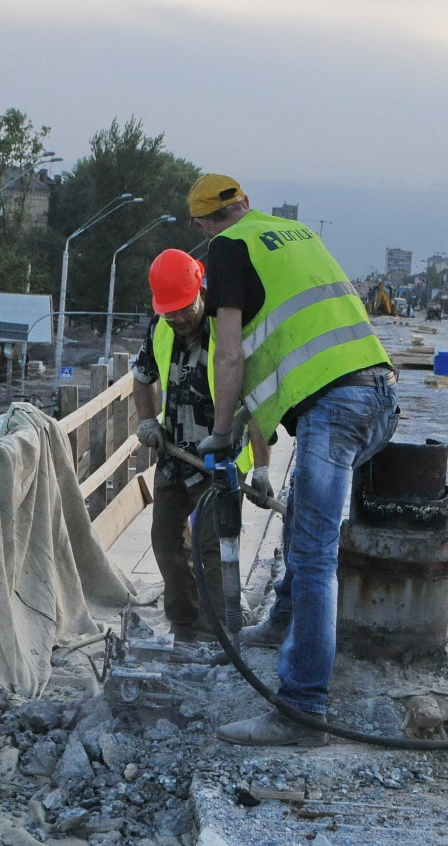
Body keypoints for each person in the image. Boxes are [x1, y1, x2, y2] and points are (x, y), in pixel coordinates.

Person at [188, 173, 399, 747]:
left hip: (334, 409)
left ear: (204, 224)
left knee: (313, 558)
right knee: (302, 519)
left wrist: (221, 432)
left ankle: (302, 712)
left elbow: (230, 356)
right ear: (247, 204)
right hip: (381, 396)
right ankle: (282, 621)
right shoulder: (293, 233)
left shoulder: (227, 251)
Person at [132, 248, 270, 643]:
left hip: (220, 464)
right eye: (168, 310)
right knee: (165, 544)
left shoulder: (229, 329)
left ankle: (218, 632)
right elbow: (141, 377)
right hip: (174, 457)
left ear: (201, 289)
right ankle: (184, 624)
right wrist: (146, 420)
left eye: (182, 308)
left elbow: (259, 403)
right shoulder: (160, 326)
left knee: (213, 552)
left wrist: (261, 466)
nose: (176, 317)